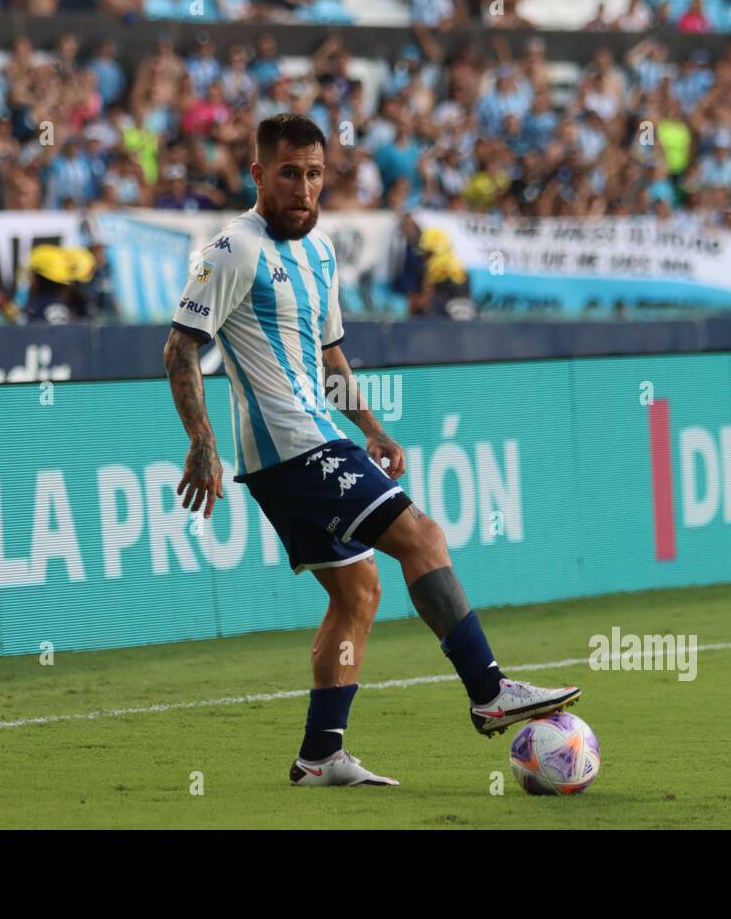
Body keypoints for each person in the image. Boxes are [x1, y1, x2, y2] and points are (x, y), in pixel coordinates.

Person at [162, 114, 580, 788]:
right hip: (289, 448)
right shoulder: (232, 250)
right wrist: (201, 442)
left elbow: (328, 354)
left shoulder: (320, 251)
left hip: (316, 439)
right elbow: (181, 347)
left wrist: (371, 427)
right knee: (421, 536)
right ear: (259, 174)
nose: (304, 188)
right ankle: (488, 690)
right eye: (290, 173)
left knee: (358, 593)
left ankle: (320, 755)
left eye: (315, 174)